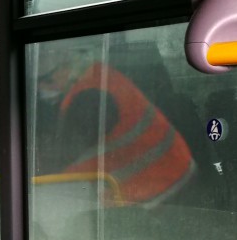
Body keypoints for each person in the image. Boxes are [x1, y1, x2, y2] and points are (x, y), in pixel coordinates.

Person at [33, 47, 195, 206]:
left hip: (159, 192)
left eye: (47, 81)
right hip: (173, 174)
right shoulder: (98, 76)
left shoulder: (88, 100)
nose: (42, 89)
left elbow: (66, 158)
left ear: (64, 68)